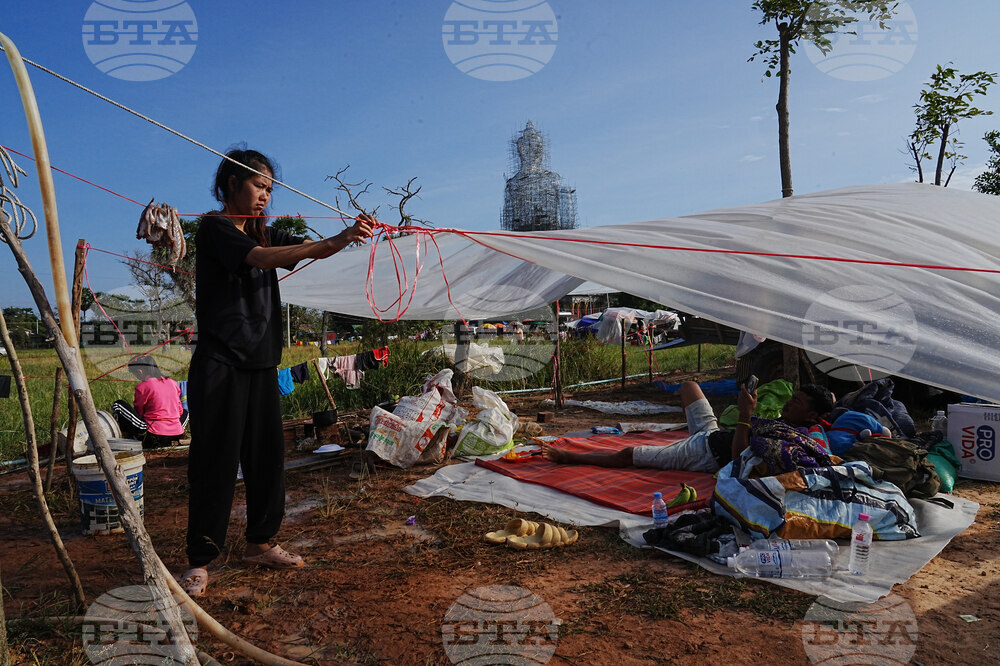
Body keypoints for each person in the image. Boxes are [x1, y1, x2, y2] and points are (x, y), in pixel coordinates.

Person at [180, 148, 374, 598]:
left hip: (262, 363)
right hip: (221, 363)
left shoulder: (264, 233)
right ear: (231, 184)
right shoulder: (216, 227)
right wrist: (335, 241)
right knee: (216, 462)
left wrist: (341, 238)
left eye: (270, 188)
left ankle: (260, 543)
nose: (265, 195)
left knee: (267, 460)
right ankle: (201, 559)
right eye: (257, 185)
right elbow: (262, 260)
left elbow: (288, 252)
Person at [542, 381, 835, 473]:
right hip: (713, 433)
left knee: (629, 453)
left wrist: (746, 415)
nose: (788, 404)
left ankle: (570, 457)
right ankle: (685, 437)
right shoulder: (788, 423)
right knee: (689, 386)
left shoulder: (791, 442)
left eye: (796, 403)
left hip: (706, 453)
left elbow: (737, 460)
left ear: (811, 417)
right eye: (792, 399)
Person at [111, 355, 187, 450]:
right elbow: (180, 411)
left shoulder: (143, 386)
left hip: (154, 434)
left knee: (118, 405)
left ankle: (127, 440)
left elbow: (139, 413)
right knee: (186, 412)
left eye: (135, 374)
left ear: (140, 371)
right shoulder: (173, 383)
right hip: (177, 433)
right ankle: (177, 431)